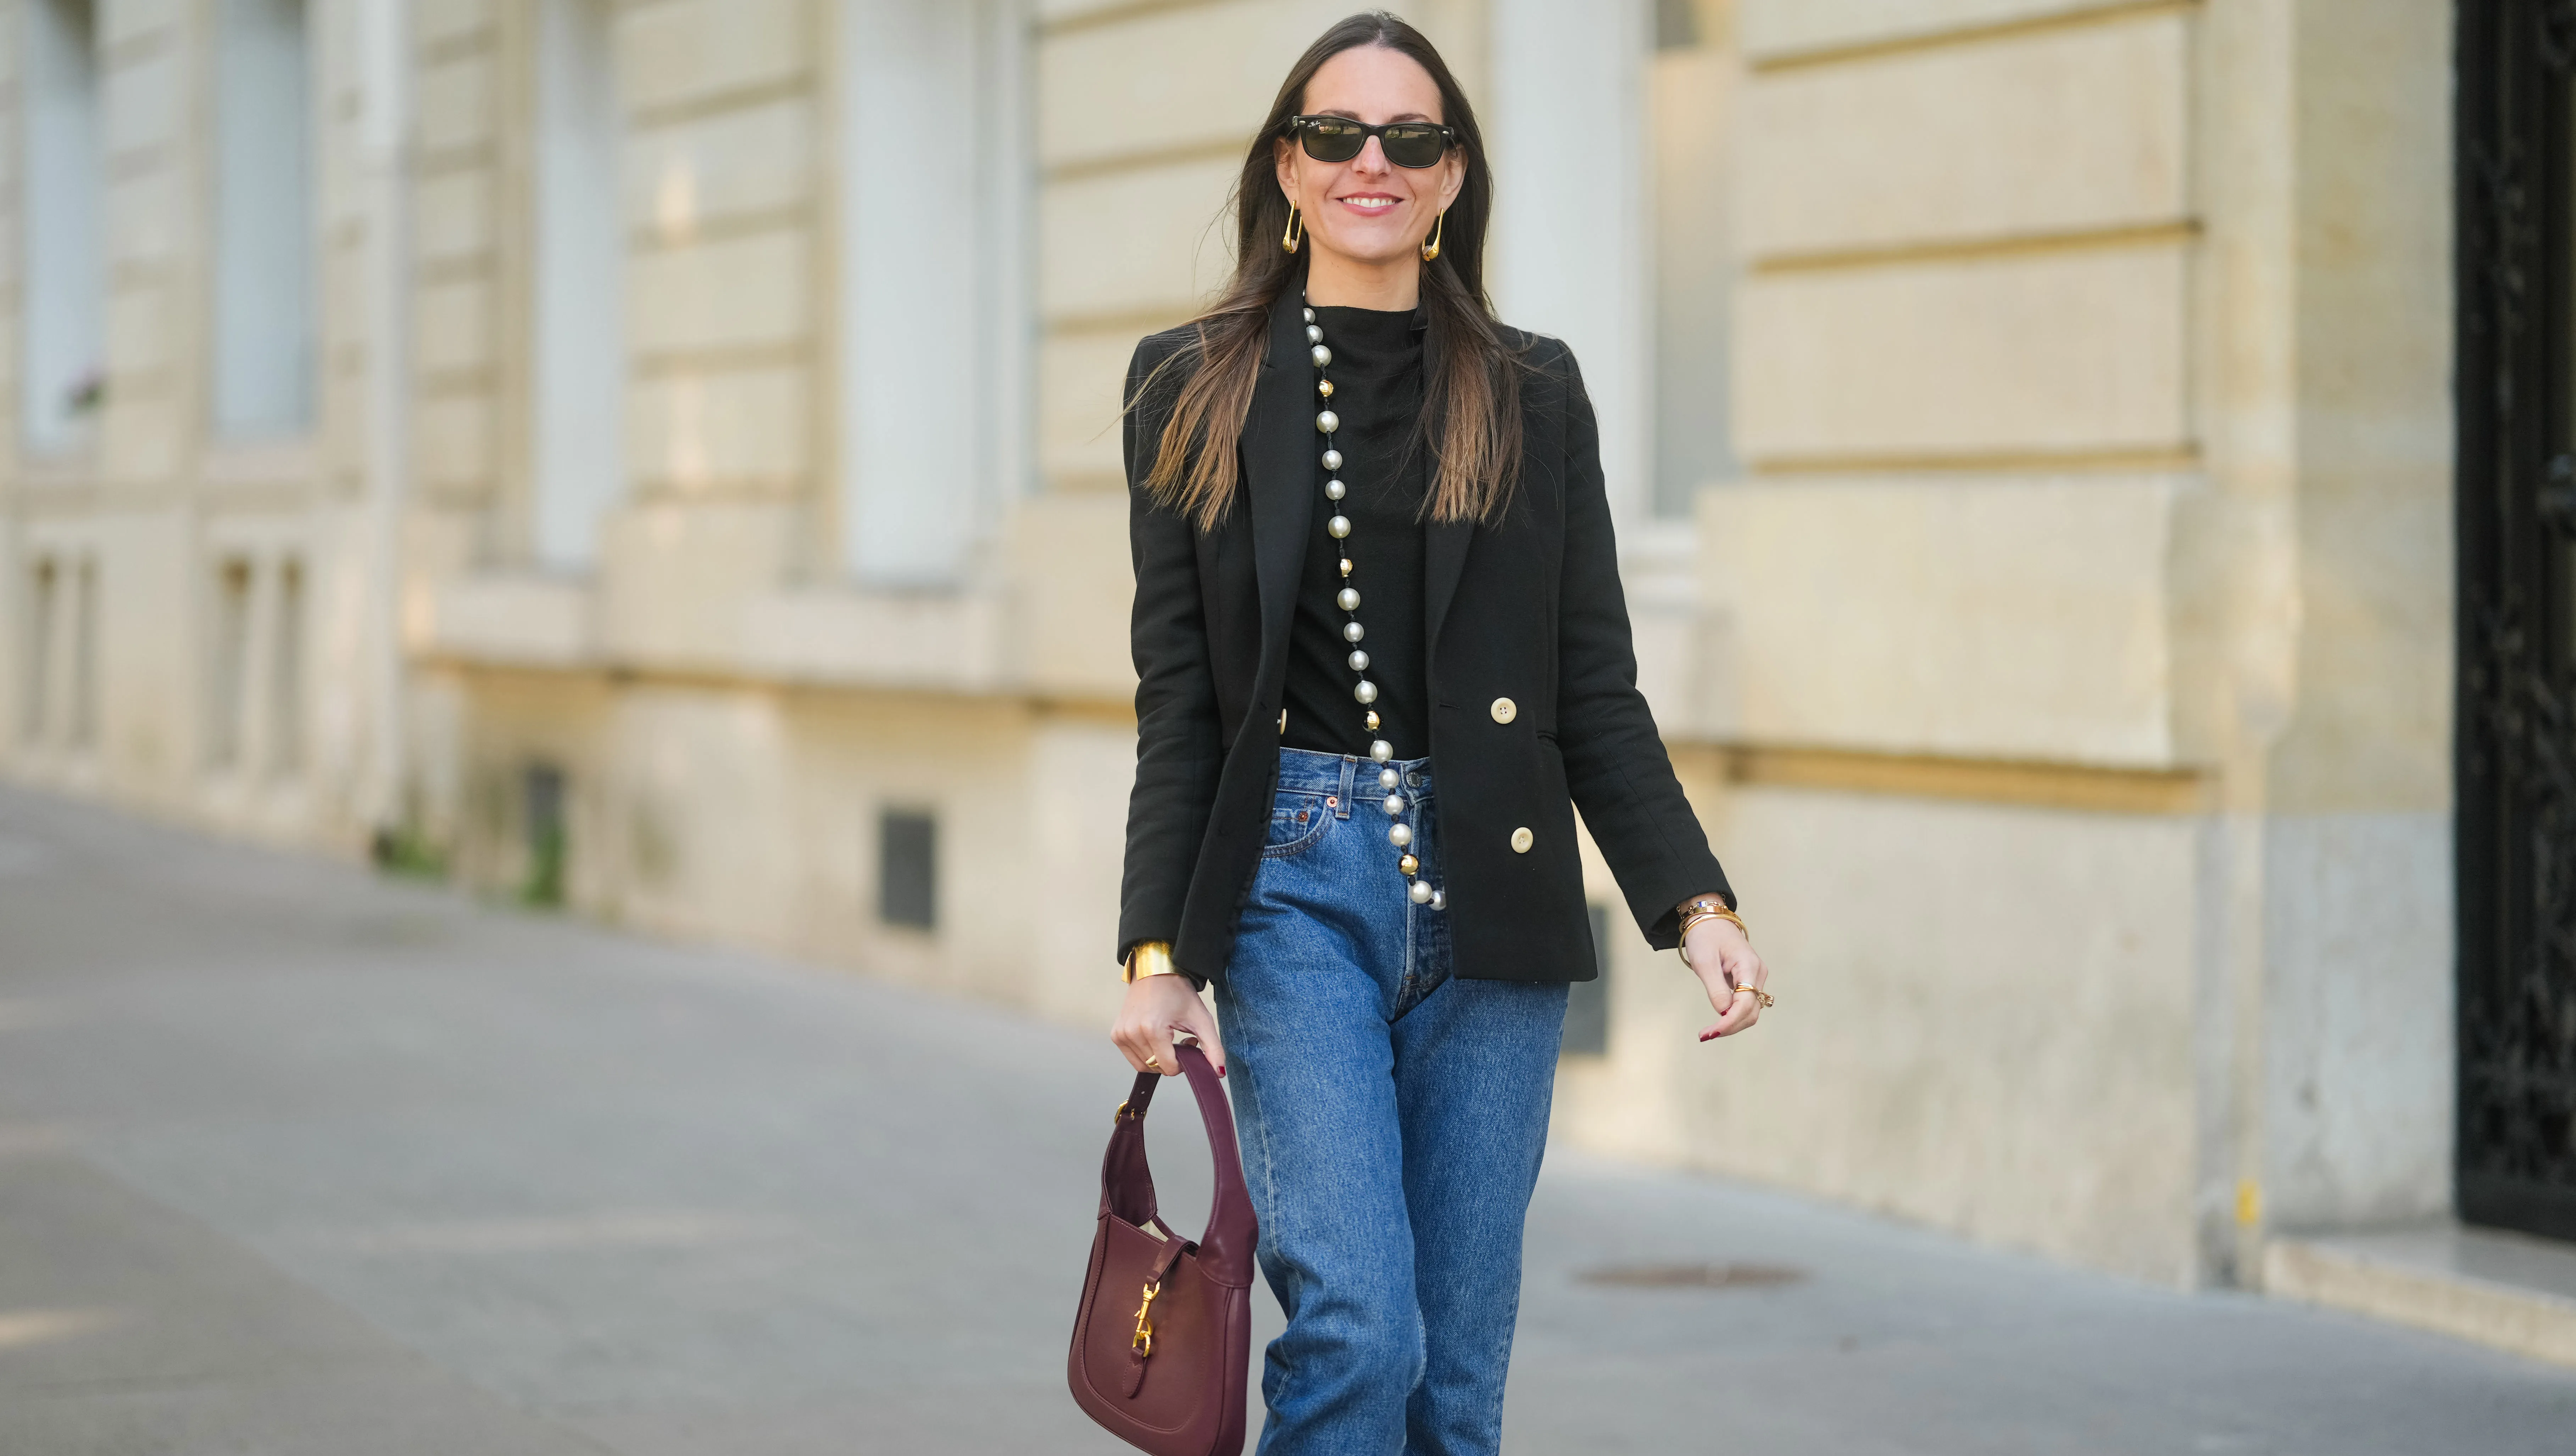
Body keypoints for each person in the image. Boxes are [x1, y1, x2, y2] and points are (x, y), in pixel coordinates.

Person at [1109, 12, 1770, 1453]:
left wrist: (1691, 900)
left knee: (1454, 1379)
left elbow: (1591, 682)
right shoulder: (1189, 383)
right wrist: (1157, 955)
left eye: (1410, 138)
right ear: (1285, 167)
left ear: (1454, 174)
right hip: (1289, 882)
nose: (1372, 162)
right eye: (1334, 134)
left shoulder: (1528, 389)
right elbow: (1181, 700)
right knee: (1359, 1327)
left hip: (1494, 889)